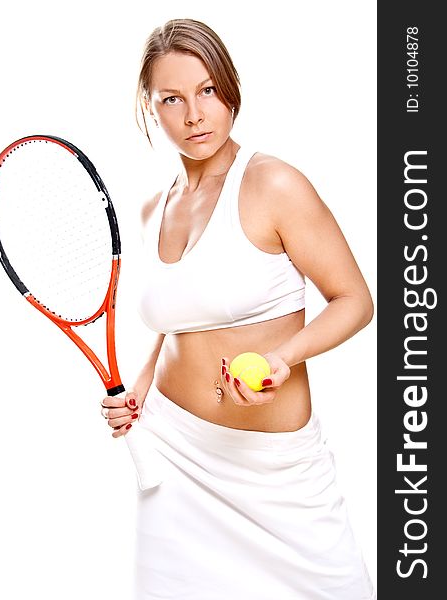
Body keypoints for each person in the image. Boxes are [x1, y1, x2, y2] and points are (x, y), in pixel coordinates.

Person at [100, 18, 376, 600]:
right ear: (151, 110)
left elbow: (355, 300)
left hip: (277, 472)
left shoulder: (272, 184)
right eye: (171, 99)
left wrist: (282, 358)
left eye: (206, 91)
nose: (194, 115)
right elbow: (176, 320)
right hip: (175, 461)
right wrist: (139, 390)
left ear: (230, 89)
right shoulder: (153, 209)